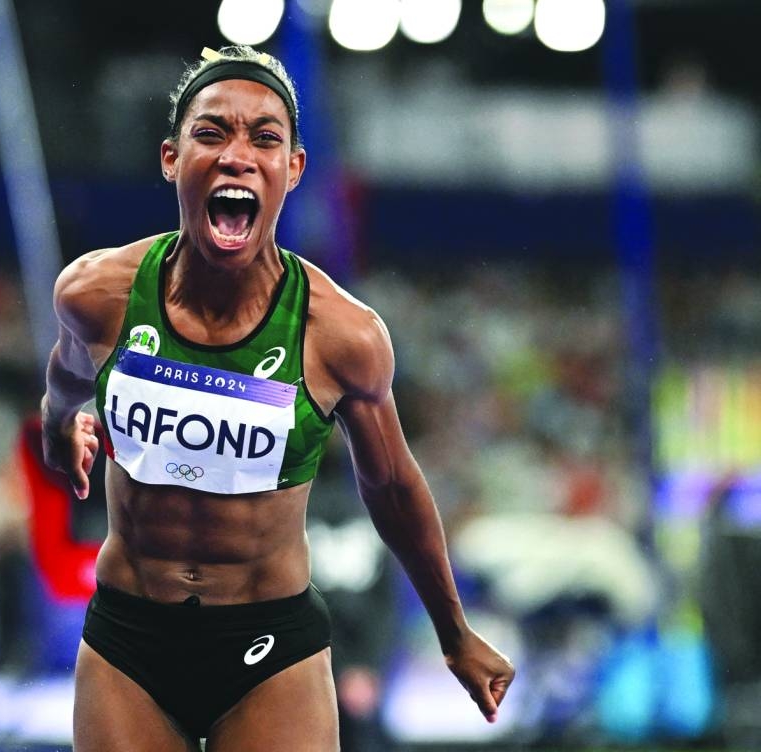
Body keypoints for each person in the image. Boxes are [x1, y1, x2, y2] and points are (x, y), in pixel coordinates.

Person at [41, 45, 515, 751]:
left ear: (292, 169)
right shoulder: (96, 293)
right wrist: (59, 427)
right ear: (172, 159)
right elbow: (66, 376)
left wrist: (453, 635)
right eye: (212, 132)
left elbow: (391, 486)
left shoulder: (342, 335)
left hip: (269, 647)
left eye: (264, 137)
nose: (237, 154)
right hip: (128, 642)